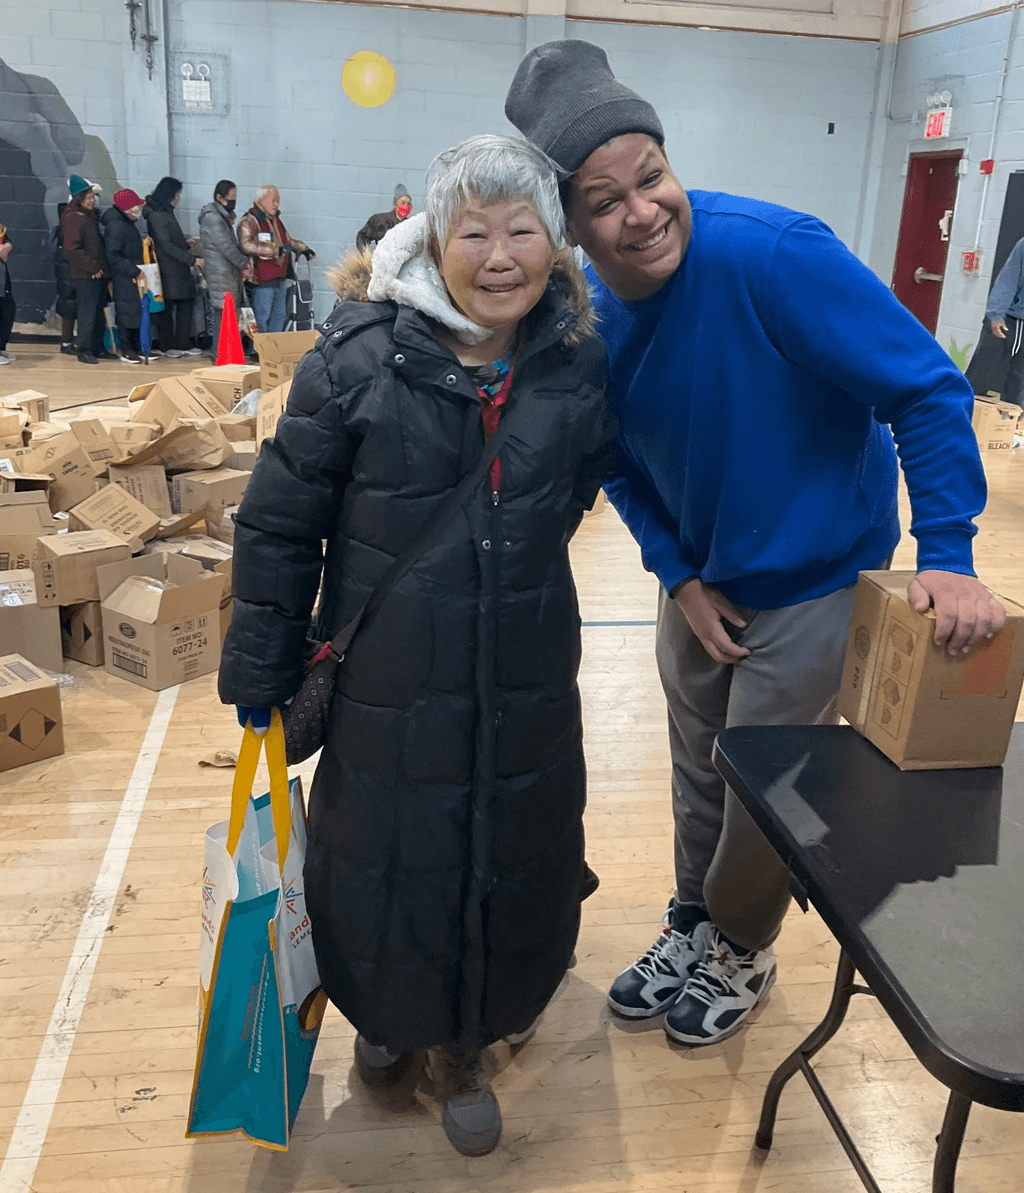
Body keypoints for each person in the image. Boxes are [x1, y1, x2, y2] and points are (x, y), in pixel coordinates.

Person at [506, 40, 1006, 1048]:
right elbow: (614, 460)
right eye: (604, 202)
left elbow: (924, 387)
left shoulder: (769, 254)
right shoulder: (584, 321)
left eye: (651, 176)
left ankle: (740, 940)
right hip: (700, 578)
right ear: (571, 226)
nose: (641, 211)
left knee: (760, 790)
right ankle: (694, 917)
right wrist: (677, 573)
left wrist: (946, 549)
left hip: (815, 572)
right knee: (696, 765)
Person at [218, 134, 613, 1157]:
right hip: (388, 671)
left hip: (523, 666)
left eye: (520, 230)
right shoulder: (357, 355)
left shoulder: (571, 358)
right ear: (433, 239)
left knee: (501, 841)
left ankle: (466, 1044)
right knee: (388, 846)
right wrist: (262, 668)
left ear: (551, 240)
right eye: (472, 231)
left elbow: (575, 487)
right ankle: (389, 1016)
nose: (498, 256)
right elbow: (279, 520)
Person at [237, 185, 313, 333]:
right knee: (262, 316)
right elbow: (246, 244)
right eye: (273, 200)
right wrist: (274, 250)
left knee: (280, 315)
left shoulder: (276, 220)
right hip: (261, 279)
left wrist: (304, 248)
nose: (277, 204)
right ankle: (260, 351)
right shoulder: (249, 220)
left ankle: (273, 351)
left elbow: (287, 241)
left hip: (280, 277)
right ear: (261, 200)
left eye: (278, 201)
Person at [143, 176, 201, 358]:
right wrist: (191, 259)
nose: (179, 198)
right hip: (168, 268)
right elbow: (165, 245)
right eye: (177, 194)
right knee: (168, 307)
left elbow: (170, 237)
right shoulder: (157, 214)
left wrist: (184, 240)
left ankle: (182, 342)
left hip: (176, 267)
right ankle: (167, 345)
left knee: (184, 303)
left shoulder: (165, 211)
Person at [965, 237, 1024, 406]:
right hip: (1008, 319)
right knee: (980, 374)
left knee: (1018, 384)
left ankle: (1008, 425)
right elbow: (1009, 276)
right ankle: (961, 415)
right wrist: (996, 314)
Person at [198, 179, 254, 356]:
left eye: (235, 197)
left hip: (227, 274)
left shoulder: (222, 216)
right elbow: (227, 247)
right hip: (220, 274)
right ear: (219, 197)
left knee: (226, 316)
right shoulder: (213, 218)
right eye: (230, 198)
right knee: (221, 316)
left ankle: (224, 353)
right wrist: (244, 264)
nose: (233, 201)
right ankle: (218, 354)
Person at [61, 174, 110, 365]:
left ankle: (98, 347)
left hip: (96, 273)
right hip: (84, 275)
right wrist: (92, 267)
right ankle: (84, 349)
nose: (92, 200)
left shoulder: (88, 216)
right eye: (88, 197)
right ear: (79, 199)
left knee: (97, 313)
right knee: (87, 314)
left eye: (92, 197)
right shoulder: (74, 218)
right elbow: (72, 249)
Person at [101, 188, 147, 364]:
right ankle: (127, 349)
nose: (138, 210)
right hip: (124, 276)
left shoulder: (126, 223)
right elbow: (113, 254)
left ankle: (135, 347)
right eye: (135, 206)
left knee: (134, 311)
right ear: (127, 208)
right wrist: (134, 270)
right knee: (126, 313)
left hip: (130, 275)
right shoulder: (117, 225)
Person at [52, 203, 78, 355]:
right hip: (69, 273)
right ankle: (67, 342)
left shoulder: (62, 227)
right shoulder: (68, 228)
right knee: (70, 308)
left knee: (70, 308)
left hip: (68, 273)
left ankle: (68, 342)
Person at [355, 183, 413, 252]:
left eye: (408, 204)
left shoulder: (410, 225)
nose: (405, 206)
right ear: (395, 205)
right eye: (402, 203)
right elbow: (362, 236)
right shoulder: (380, 220)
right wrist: (365, 254)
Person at [0, 222, 14, 366]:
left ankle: (1, 347)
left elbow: (7, 242)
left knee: (8, 311)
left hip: (3, 279)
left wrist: (7, 246)